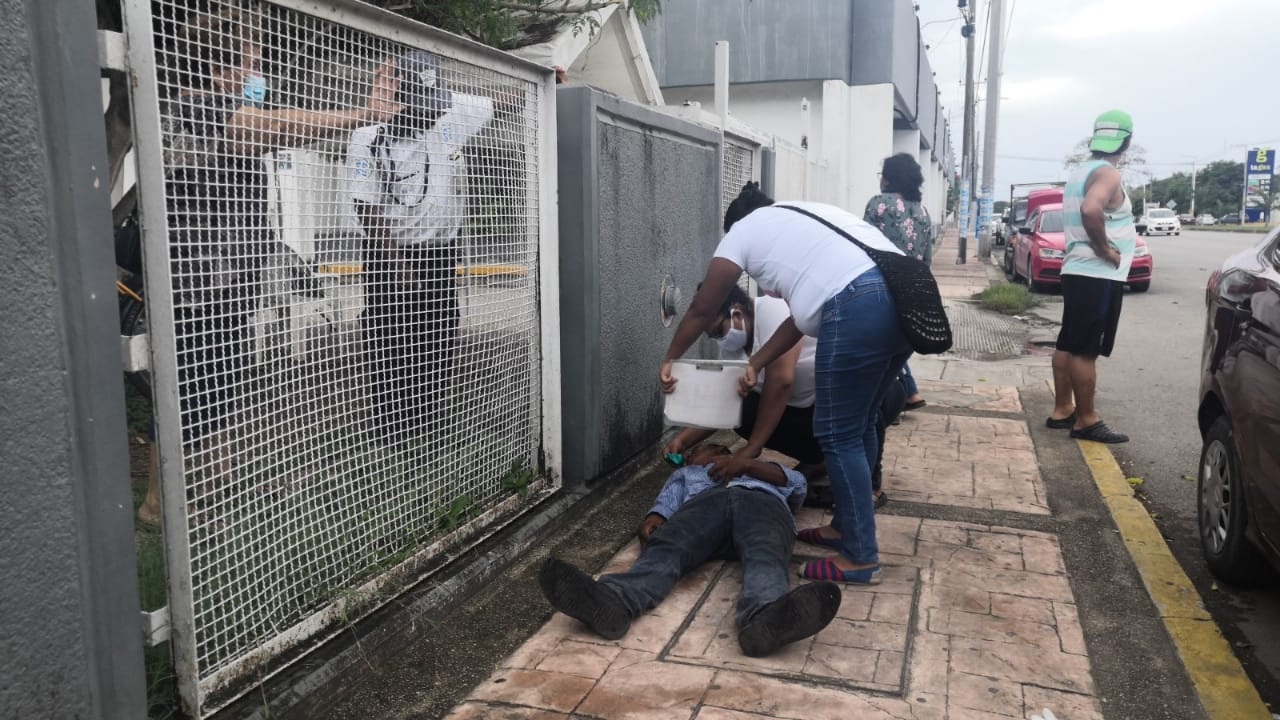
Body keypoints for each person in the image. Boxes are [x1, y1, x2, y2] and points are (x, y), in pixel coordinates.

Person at [138, 1, 401, 524]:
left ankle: (212, 484)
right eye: (253, 62)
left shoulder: (210, 112)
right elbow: (280, 125)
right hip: (193, 281)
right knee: (187, 389)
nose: (259, 75)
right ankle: (158, 506)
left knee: (219, 382)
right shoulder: (195, 112)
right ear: (223, 68)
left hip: (227, 276)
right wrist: (366, 114)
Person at [659, 183, 913, 584]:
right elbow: (798, 321)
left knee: (839, 433)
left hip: (859, 301)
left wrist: (670, 357)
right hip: (904, 294)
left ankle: (861, 557)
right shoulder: (804, 222)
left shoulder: (743, 232)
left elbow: (703, 305)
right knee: (858, 426)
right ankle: (847, 529)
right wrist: (756, 362)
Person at [539, 444, 841, 658]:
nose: (687, 458)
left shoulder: (759, 471)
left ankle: (766, 616)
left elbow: (798, 485)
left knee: (766, 552)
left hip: (761, 504)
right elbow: (667, 502)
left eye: (693, 453)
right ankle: (616, 601)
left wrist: (747, 465)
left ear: (721, 450)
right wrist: (653, 519)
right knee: (669, 545)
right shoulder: (687, 475)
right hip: (704, 506)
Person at [346, 50, 502, 441]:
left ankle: (428, 421)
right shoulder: (367, 135)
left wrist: (551, 81)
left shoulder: (447, 116)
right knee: (389, 335)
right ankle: (390, 427)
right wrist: (399, 266)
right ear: (398, 99)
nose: (430, 115)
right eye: (422, 106)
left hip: (439, 252)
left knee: (438, 331)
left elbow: (502, 104)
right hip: (389, 254)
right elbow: (365, 206)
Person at [662, 284, 903, 508]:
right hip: (813, 406)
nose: (718, 338)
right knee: (745, 412)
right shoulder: (734, 345)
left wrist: (750, 451)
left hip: (874, 392)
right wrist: (683, 441)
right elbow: (725, 400)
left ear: (736, 312)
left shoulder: (774, 310)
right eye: (712, 335)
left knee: (857, 403)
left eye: (717, 330)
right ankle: (819, 460)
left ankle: (870, 484)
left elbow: (781, 381)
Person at [1046, 110, 1136, 444]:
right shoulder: (1108, 174)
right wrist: (1105, 250)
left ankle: (1062, 410)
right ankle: (1086, 419)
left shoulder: (1080, 171)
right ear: (1126, 141)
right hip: (1096, 273)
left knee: (1069, 340)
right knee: (1085, 349)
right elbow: (1090, 209)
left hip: (1076, 270)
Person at [864, 153, 936, 411]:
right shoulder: (923, 212)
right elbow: (927, 257)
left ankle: (889, 402)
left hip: (879, 284)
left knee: (878, 346)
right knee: (894, 344)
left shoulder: (878, 205)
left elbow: (863, 244)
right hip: (911, 288)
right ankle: (909, 393)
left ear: (889, 178)